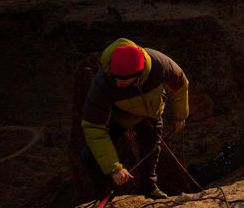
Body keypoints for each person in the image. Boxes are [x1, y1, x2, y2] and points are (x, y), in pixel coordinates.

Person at [79, 38, 189, 199]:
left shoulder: (160, 65)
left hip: (151, 111)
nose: (118, 83)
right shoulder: (103, 83)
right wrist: (114, 169)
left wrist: (180, 116)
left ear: (139, 75)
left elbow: (180, 85)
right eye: (115, 79)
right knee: (89, 157)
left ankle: (149, 188)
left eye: (123, 80)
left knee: (152, 149)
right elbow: (93, 127)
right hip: (120, 115)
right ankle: (103, 195)